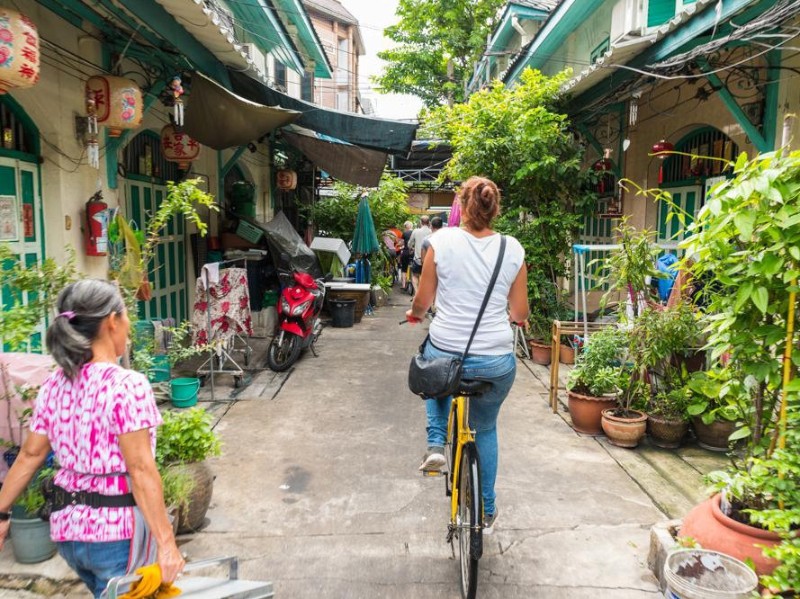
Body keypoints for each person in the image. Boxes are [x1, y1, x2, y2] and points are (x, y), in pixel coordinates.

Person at [0, 280, 184, 597]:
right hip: (115, 536)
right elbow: (140, 469)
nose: (129, 326)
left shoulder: (54, 384)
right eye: (126, 316)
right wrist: (167, 544)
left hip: (68, 533)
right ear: (112, 321)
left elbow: (30, 456)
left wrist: (2, 514)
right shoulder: (127, 385)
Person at [405, 176, 529, 534]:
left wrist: (415, 314)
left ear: (461, 205)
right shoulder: (512, 248)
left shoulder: (440, 241)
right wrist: (511, 318)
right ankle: (487, 511)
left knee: (433, 369)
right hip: (495, 360)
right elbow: (519, 311)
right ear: (495, 208)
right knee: (485, 428)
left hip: (448, 348)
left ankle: (435, 445)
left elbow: (423, 300)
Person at [408, 215, 432, 295]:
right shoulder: (431, 231)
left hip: (418, 258)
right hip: (429, 260)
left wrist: (411, 249)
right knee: (425, 276)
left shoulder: (416, 231)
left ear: (420, 222)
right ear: (428, 222)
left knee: (415, 275)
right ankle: (424, 293)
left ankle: (417, 292)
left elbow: (409, 244)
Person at [399, 221, 414, 289]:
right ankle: (414, 283)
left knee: (404, 269)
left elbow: (401, 243)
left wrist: (399, 245)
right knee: (414, 269)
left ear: (406, 227)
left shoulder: (404, 233)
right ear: (411, 226)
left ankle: (403, 285)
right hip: (413, 252)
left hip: (405, 252)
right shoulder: (415, 232)